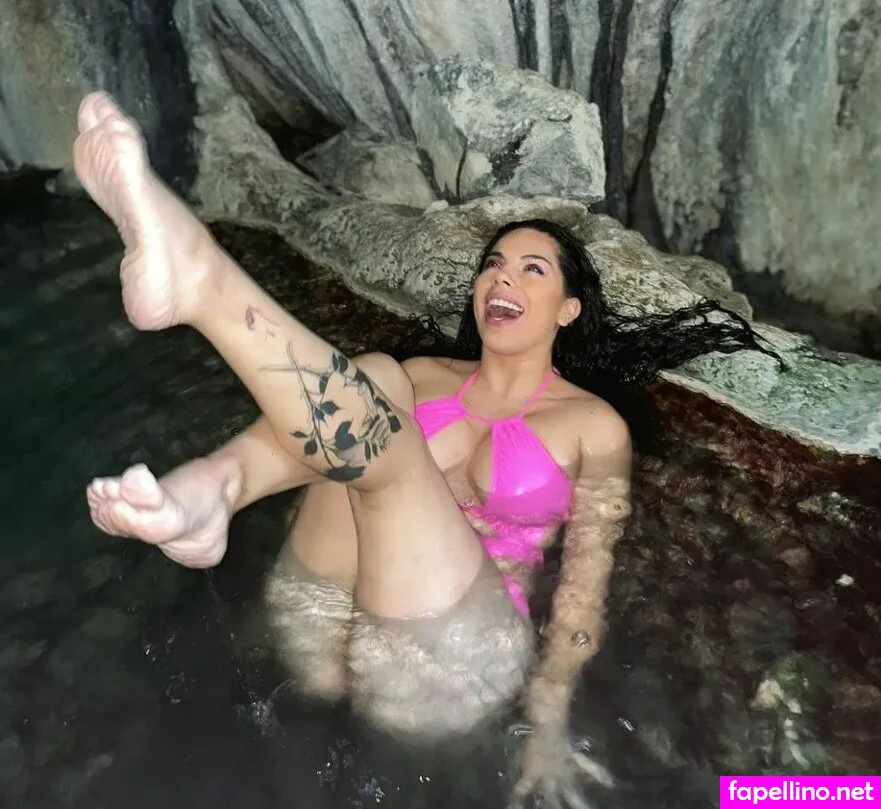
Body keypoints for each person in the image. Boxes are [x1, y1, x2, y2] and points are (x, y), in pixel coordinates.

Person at [74, 92, 776, 808]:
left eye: (532, 269)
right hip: (319, 612)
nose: (501, 277)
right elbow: (334, 449)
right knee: (377, 377)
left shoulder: (594, 426)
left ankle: (206, 289)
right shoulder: (422, 376)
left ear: (568, 310)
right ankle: (217, 485)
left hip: (447, 656)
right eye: (493, 264)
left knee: (387, 434)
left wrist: (548, 719)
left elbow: (582, 586)